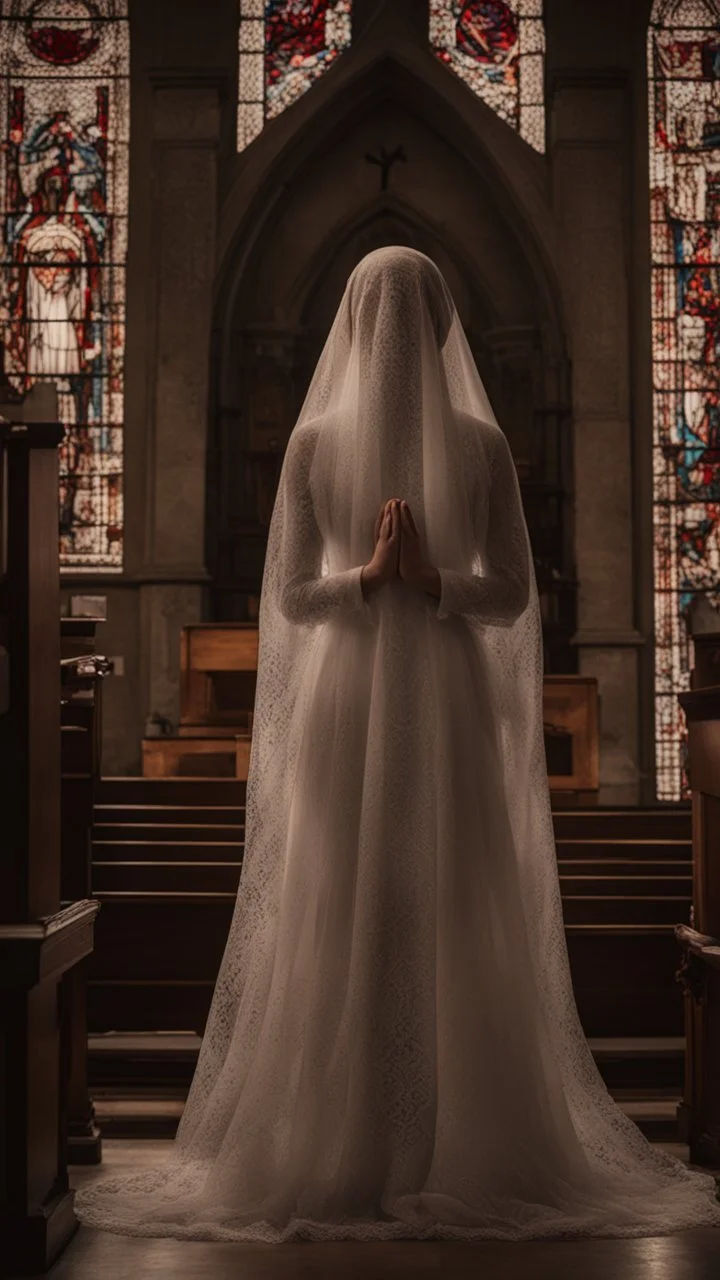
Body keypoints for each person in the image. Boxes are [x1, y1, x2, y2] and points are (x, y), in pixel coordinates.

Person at [75, 246, 720, 1243]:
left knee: (455, 900)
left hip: (430, 705)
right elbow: (291, 597)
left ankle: (448, 1135)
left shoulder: (472, 446)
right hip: (359, 705)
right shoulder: (326, 447)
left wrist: (418, 577)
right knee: (341, 897)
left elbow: (508, 591)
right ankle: (344, 1134)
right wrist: (385, 577)